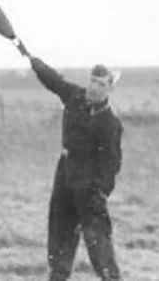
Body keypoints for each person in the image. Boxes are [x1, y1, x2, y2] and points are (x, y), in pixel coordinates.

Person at [17, 40, 123, 281]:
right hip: (65, 174)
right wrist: (31, 58)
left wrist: (102, 193)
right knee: (59, 238)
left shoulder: (110, 122)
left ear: (110, 89)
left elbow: (112, 163)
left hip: (89, 186)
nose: (95, 88)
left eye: (101, 84)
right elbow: (52, 80)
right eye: (93, 81)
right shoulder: (74, 95)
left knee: (99, 245)